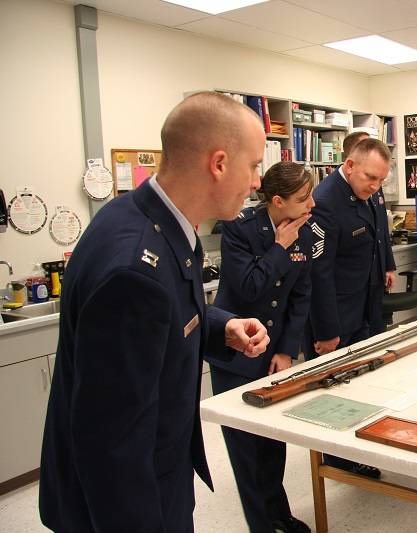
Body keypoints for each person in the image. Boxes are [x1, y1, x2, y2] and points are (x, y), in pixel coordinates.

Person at [39, 91, 270, 532]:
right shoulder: (134, 266)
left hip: (155, 473)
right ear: (219, 164)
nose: (258, 181)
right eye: (255, 165)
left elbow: (167, 316)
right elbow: (112, 445)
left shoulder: (157, 223)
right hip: (124, 502)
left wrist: (221, 325)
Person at [208, 161, 314, 533]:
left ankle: (279, 514)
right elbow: (251, 287)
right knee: (246, 449)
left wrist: (287, 351)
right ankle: (261, 525)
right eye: (304, 198)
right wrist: (280, 247)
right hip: (237, 354)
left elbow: (301, 295)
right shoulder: (239, 231)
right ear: (278, 200)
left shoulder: (302, 230)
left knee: (272, 442)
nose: (311, 205)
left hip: (274, 355)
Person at [305, 136, 396, 478]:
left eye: (381, 181)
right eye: (370, 178)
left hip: (365, 303)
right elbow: (318, 273)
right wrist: (327, 331)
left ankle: (361, 444)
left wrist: (386, 265)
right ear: (350, 165)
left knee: (363, 381)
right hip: (336, 312)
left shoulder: (366, 190)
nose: (375, 186)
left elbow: (377, 235)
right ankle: (338, 460)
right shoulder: (325, 202)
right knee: (332, 390)